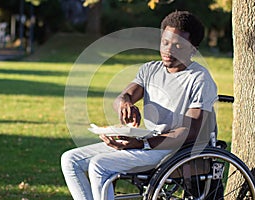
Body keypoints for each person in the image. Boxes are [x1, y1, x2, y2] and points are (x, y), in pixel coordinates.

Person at [61, 10, 217, 200]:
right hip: (148, 142)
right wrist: (124, 104)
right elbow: (124, 95)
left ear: (193, 49)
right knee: (70, 160)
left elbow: (189, 132)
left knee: (99, 165)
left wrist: (142, 144)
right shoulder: (150, 69)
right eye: (165, 43)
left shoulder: (199, 79)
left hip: (173, 150)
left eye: (178, 45)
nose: (169, 50)